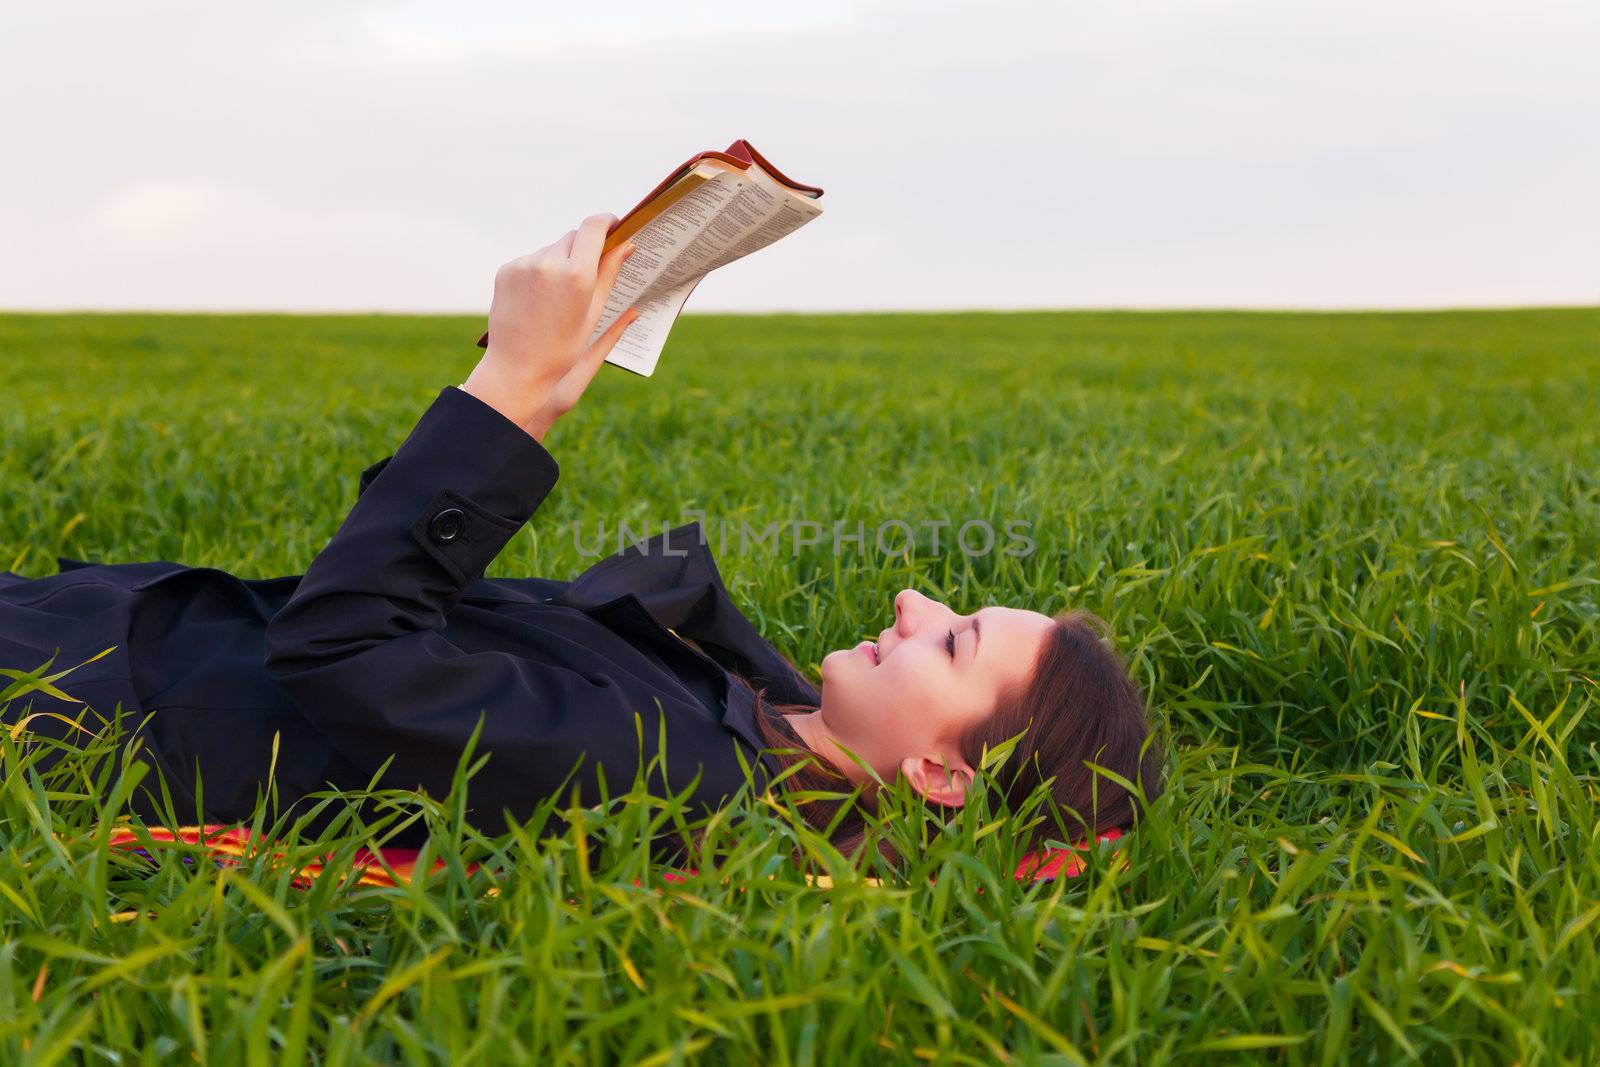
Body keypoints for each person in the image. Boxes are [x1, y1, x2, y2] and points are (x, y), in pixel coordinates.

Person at [0, 214, 1163, 858]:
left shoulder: (680, 783)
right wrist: (537, 387)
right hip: (121, 619)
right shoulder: (759, 703)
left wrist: (512, 389)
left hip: (84, 695)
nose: (914, 601)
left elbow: (348, 648)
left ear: (937, 776)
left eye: (952, 642)